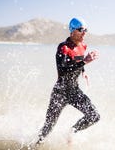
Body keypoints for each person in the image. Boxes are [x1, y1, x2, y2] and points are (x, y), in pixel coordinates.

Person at [36, 17, 100, 145]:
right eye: (81, 30)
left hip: (74, 90)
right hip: (60, 92)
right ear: (72, 31)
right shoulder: (63, 47)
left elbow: (76, 62)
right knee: (48, 128)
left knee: (94, 116)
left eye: (86, 30)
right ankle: (35, 145)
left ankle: (72, 131)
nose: (84, 33)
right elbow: (63, 69)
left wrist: (83, 71)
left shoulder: (83, 46)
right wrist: (85, 62)